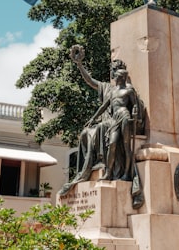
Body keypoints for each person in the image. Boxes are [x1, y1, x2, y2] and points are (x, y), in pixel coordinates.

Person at [59, 46, 145, 208]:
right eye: (113, 70)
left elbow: (136, 107)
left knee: (111, 137)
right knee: (87, 133)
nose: (113, 73)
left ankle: (123, 173)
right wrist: (79, 65)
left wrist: (135, 114)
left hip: (122, 120)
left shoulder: (128, 90)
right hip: (111, 122)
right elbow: (90, 82)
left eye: (116, 70)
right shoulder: (108, 89)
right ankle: (103, 170)